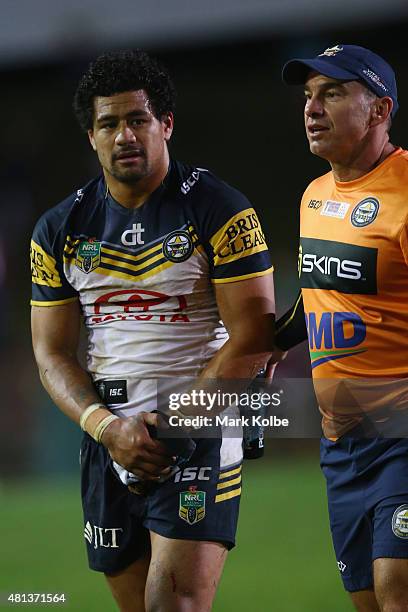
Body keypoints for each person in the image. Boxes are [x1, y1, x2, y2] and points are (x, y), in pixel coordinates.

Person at [30, 49, 275, 612]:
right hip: (107, 438)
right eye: (109, 123)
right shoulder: (59, 228)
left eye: (138, 119)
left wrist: (175, 425)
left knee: (175, 605)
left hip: (198, 429)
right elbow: (51, 352)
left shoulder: (219, 208)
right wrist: (107, 429)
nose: (124, 136)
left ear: (165, 124)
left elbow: (252, 338)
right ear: (90, 136)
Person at [275, 44, 408, 611]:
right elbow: (318, 298)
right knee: (369, 601)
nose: (312, 108)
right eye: (308, 96)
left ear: (379, 110)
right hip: (342, 446)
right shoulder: (313, 197)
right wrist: (266, 349)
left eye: (332, 93)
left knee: (395, 586)